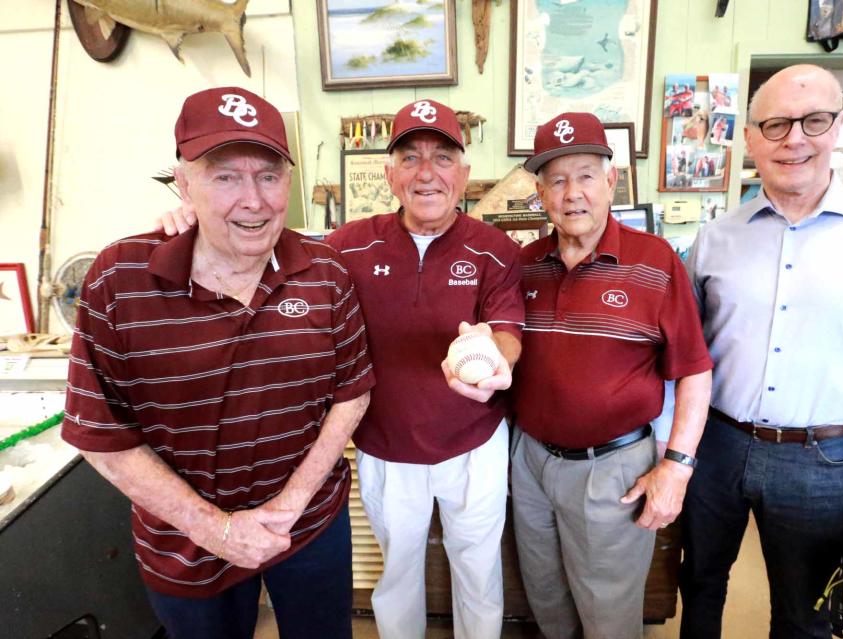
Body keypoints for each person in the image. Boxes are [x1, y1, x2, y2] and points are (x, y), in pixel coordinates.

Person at [158, 98, 525, 639]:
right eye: (410, 158)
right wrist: (193, 221)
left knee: (478, 566)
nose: (427, 173)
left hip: (474, 443)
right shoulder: (346, 246)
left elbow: (508, 330)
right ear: (389, 174)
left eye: (443, 157)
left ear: (464, 174)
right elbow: (256, 241)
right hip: (385, 445)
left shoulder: (496, 249)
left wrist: (496, 362)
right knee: (398, 572)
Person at [62, 87, 375, 639]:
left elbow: (352, 392)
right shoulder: (120, 279)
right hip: (185, 542)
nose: (252, 200)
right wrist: (218, 530)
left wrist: (289, 504)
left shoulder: (325, 272)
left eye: (269, 176)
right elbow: (96, 432)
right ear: (183, 184)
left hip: (308, 525)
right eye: (225, 176)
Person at [680, 64, 843, 639]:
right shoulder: (716, 238)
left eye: (813, 120)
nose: (794, 139)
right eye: (774, 124)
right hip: (717, 446)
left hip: (820, 460)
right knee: (699, 584)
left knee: (806, 614)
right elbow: (686, 355)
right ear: (749, 137)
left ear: (838, 126)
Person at [509, 111, 713, 639]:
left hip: (612, 470)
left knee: (608, 617)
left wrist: (677, 468)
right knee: (546, 602)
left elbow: (694, 371)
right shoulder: (525, 264)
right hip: (530, 462)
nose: (571, 193)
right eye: (556, 179)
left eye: (584, 175)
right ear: (540, 191)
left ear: (611, 181)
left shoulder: (656, 261)